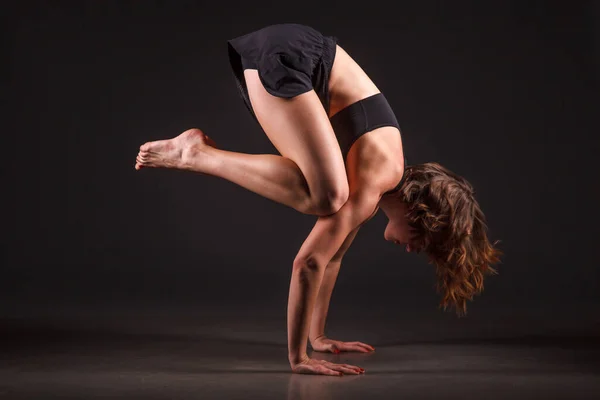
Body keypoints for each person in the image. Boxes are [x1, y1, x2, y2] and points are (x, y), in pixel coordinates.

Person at [134, 23, 501, 376]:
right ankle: (194, 154)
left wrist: (318, 336)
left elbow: (332, 258)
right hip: (291, 57)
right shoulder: (379, 178)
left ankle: (195, 154)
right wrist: (300, 357)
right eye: (421, 242)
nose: (410, 250)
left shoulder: (376, 188)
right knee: (327, 196)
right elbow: (307, 262)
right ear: (422, 214)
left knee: (327, 196)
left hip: (289, 56)